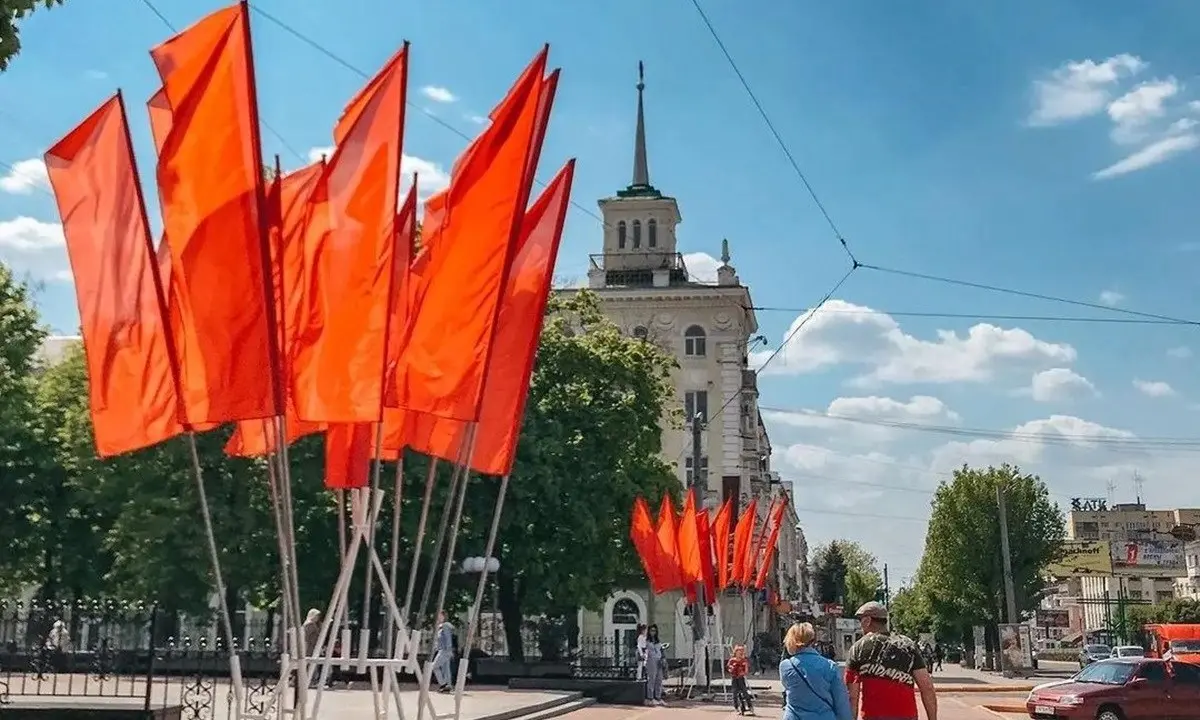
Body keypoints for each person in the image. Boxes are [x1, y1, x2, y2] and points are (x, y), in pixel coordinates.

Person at [845, 602, 937, 720]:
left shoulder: (858, 648)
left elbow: (852, 696)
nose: (860, 625)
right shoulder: (907, 645)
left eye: (861, 620)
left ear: (867, 620)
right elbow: (927, 686)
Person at [779, 622, 851, 720]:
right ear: (813, 642)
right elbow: (841, 702)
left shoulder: (786, 666)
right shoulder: (829, 666)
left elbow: (787, 689)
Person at [643, 624, 666, 706]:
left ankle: (658, 697)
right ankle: (650, 698)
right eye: (652, 630)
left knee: (659, 679)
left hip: (659, 660)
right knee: (652, 679)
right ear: (649, 631)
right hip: (651, 660)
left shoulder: (658, 641)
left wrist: (663, 658)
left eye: (655, 631)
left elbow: (661, 650)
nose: (653, 632)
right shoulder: (646, 641)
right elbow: (643, 651)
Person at [727, 644, 753, 715]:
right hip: (734, 678)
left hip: (741, 678)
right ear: (736, 652)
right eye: (739, 651)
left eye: (742, 651)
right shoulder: (732, 660)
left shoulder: (744, 660)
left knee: (745, 692)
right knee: (735, 693)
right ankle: (737, 707)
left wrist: (743, 672)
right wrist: (731, 669)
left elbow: (746, 670)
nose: (741, 653)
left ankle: (750, 706)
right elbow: (728, 668)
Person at [433, 611, 455, 693]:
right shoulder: (441, 627)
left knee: (434, 666)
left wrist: (449, 650)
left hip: (444, 650)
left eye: (440, 616)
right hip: (442, 650)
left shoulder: (445, 626)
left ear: (444, 616)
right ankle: (448, 686)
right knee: (446, 669)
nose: (438, 618)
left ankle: (443, 684)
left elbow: (448, 639)